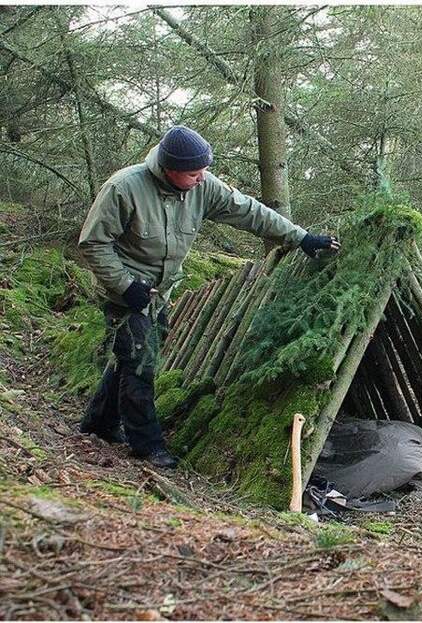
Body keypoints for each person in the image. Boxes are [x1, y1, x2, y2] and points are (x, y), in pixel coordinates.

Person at [78, 125, 340, 468]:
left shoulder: (201, 186)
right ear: (169, 169)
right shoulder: (124, 188)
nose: (202, 178)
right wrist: (126, 286)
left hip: (160, 292)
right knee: (141, 363)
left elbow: (248, 210)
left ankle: (98, 422)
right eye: (193, 173)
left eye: (203, 171)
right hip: (124, 291)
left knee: (133, 356)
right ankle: (147, 444)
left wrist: (300, 237)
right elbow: (93, 244)